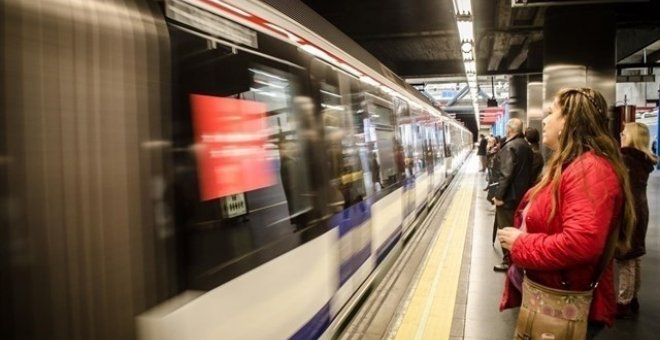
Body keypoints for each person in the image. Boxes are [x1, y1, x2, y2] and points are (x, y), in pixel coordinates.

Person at [497, 88, 637, 339]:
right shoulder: (572, 165)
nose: (545, 119)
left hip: (563, 303)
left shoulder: (590, 171)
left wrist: (521, 243)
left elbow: (581, 243)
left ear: (569, 121)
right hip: (551, 297)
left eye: (552, 112)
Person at [615, 122, 658, 318]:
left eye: (624, 132)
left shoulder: (626, 159)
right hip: (641, 210)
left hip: (629, 212)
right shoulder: (644, 161)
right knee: (635, 257)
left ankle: (623, 302)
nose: (621, 134)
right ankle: (632, 299)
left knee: (626, 258)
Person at [491, 118, 534, 271]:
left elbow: (506, 174)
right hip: (521, 195)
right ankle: (515, 259)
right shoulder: (525, 146)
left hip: (509, 197)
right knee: (516, 227)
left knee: (505, 229)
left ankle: (508, 261)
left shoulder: (510, 147)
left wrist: (499, 196)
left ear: (509, 129)